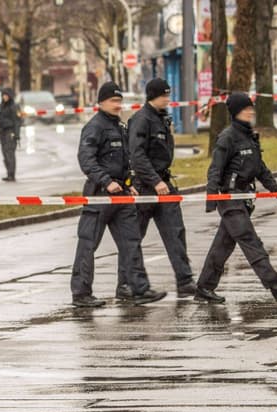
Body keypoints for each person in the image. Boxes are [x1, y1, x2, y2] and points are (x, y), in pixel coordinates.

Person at [70, 81, 166, 308]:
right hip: (100, 196)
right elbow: (86, 160)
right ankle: (81, 293)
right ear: (101, 102)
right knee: (88, 244)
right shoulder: (95, 127)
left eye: (119, 101)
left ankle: (138, 289)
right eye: (113, 101)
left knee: (131, 242)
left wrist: (126, 182)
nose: (117, 105)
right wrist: (106, 181)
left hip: (120, 196)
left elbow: (123, 161)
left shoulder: (118, 127)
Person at [194, 92, 277, 304]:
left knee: (222, 246)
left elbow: (259, 167)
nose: (250, 111)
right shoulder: (227, 137)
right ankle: (275, 285)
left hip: (244, 197)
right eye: (246, 108)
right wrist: (211, 200)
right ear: (236, 112)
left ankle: (204, 287)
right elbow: (215, 170)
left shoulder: (250, 135)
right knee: (251, 241)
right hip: (230, 199)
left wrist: (274, 189)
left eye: (251, 107)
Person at [122, 77, 197, 300]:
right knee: (133, 237)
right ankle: (125, 284)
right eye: (164, 95)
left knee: (176, 232)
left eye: (168, 94)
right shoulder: (141, 120)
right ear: (153, 96)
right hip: (146, 187)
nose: (168, 98)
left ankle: (185, 280)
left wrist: (161, 181)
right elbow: (137, 156)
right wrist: (155, 181)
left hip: (163, 184)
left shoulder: (161, 118)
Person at [0, 88, 20, 182]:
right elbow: (0, 120)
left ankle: (11, 174)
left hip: (10, 132)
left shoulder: (13, 106)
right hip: (3, 132)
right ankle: (8, 173)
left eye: (6, 95)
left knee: (10, 153)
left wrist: (16, 134)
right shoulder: (2, 106)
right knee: (5, 153)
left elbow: (17, 121)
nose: (4, 97)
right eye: (3, 95)